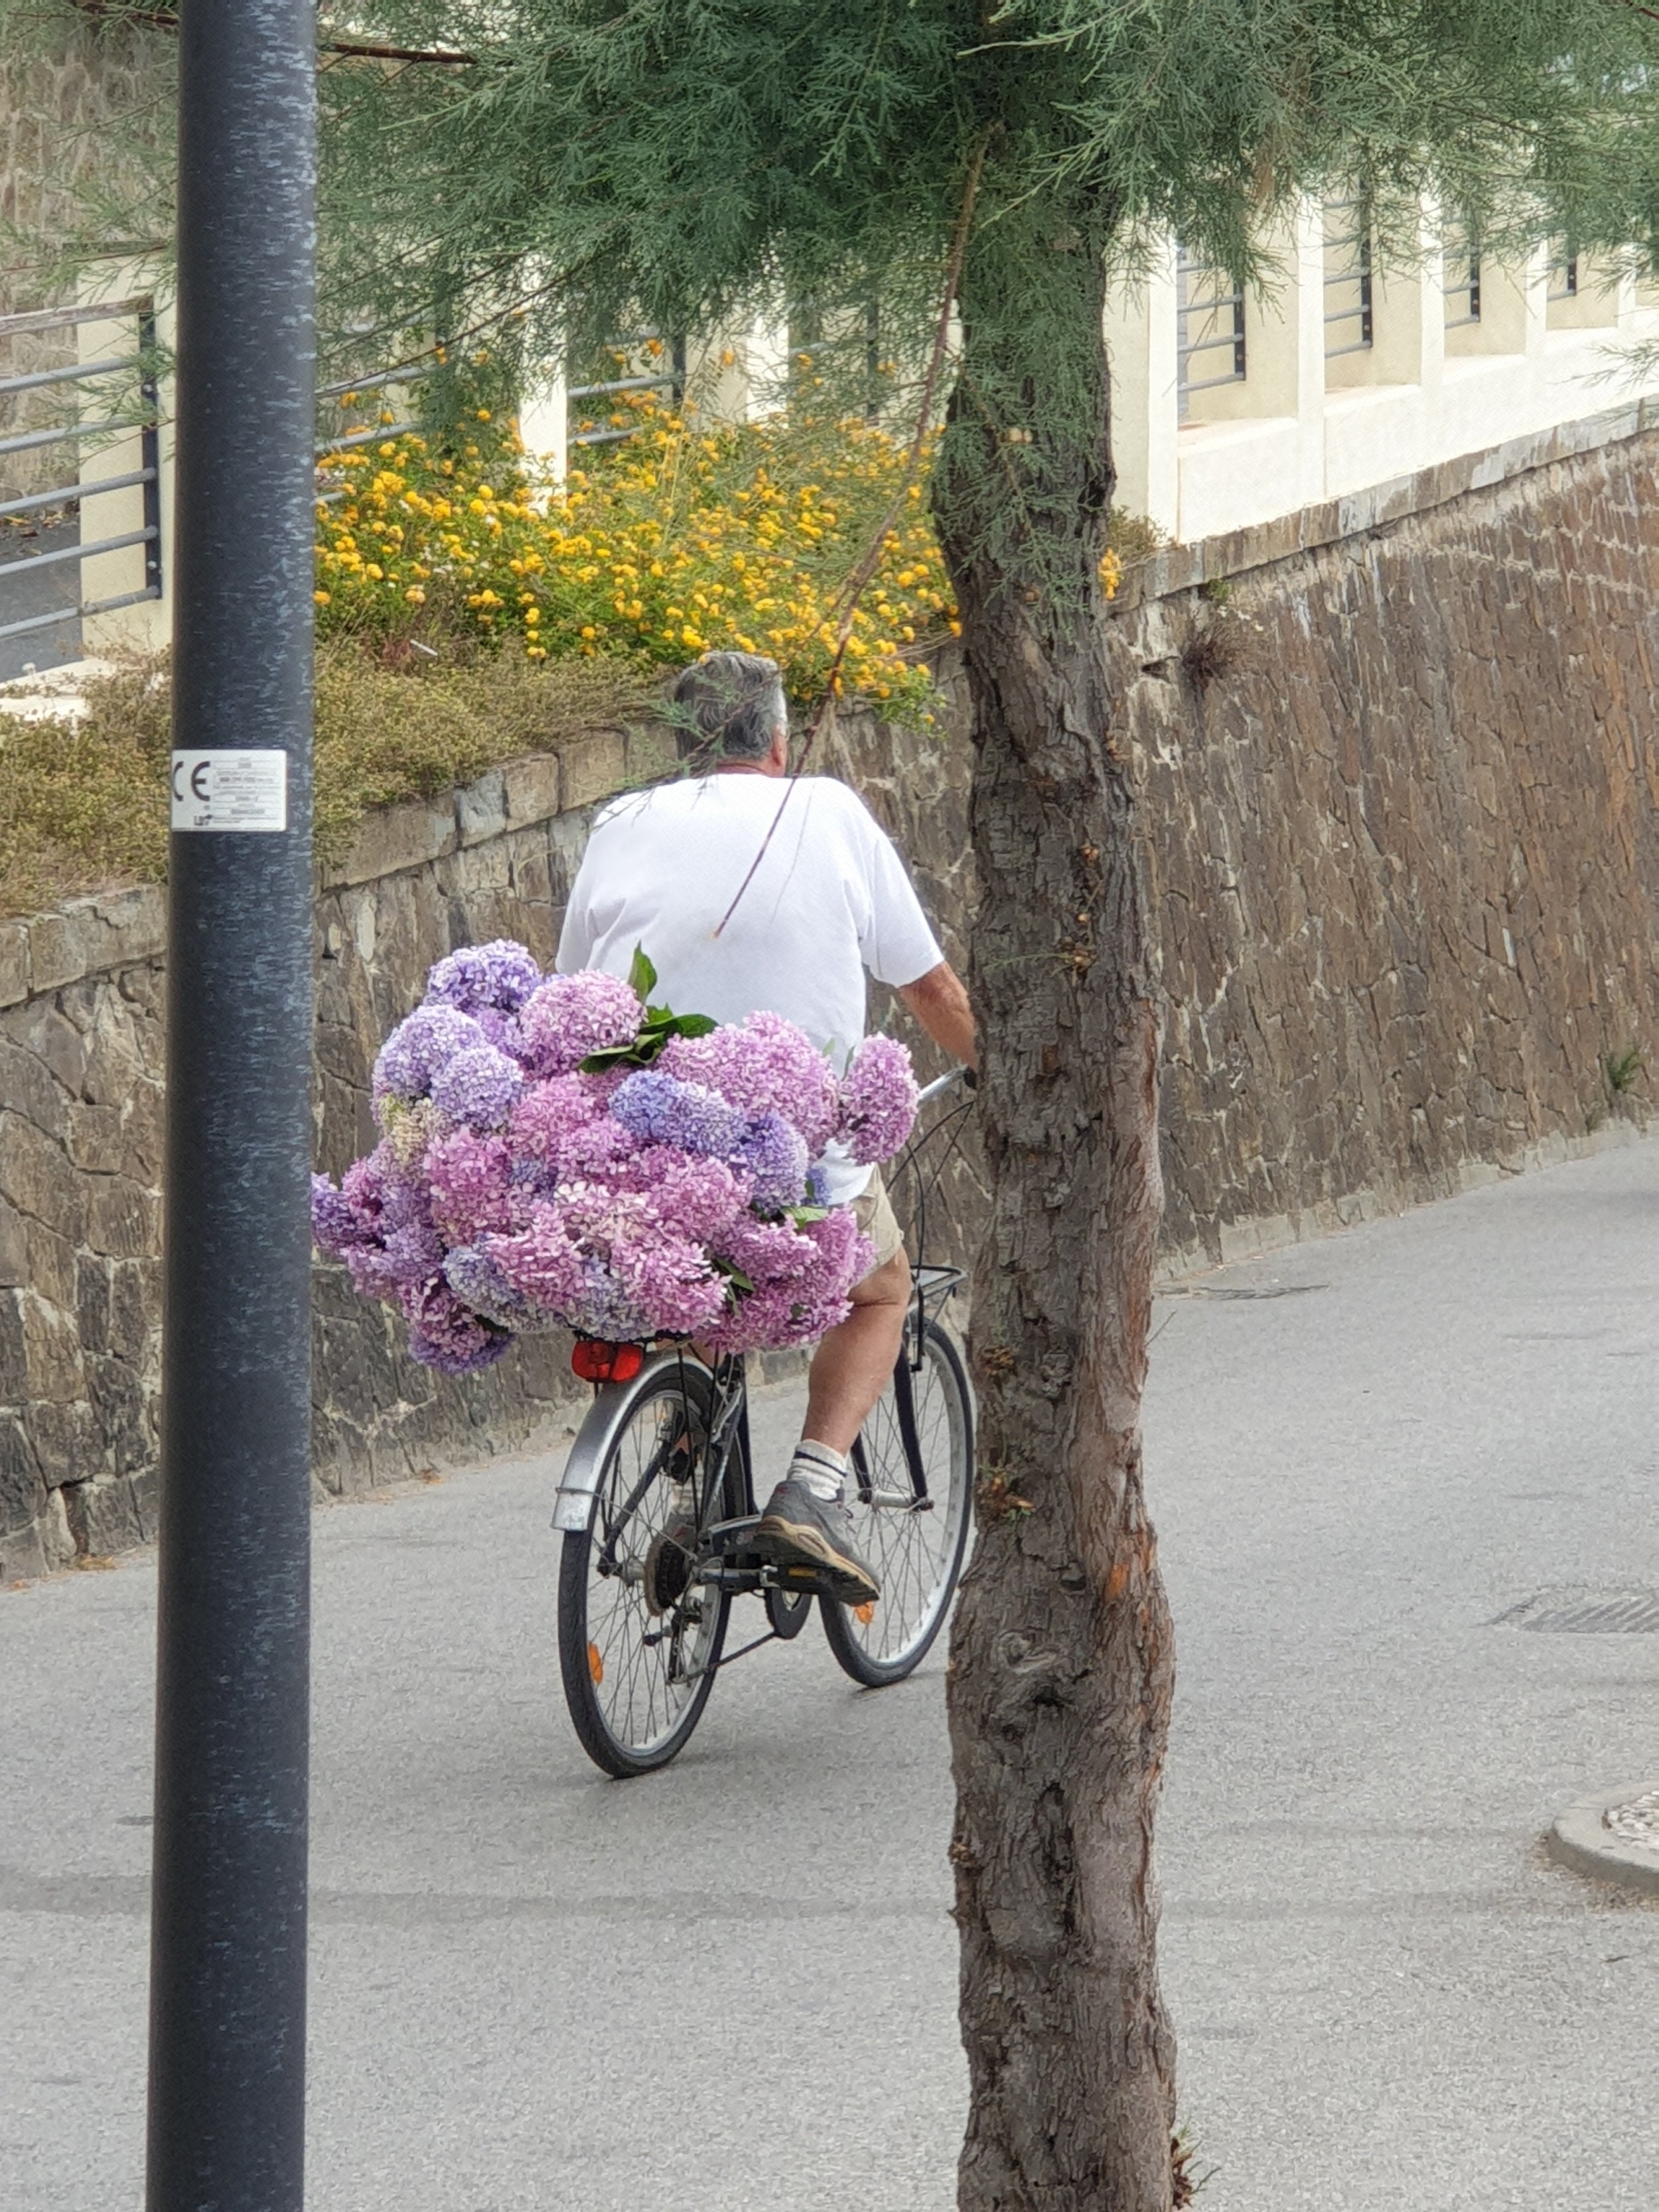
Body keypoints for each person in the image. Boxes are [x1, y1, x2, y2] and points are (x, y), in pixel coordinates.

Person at [555, 650, 976, 1605]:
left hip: (643, 1148)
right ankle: (811, 1489)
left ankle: (686, 1450)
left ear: (680, 745)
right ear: (777, 740)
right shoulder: (826, 811)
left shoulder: (620, 823)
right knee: (883, 1291)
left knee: (690, 1274)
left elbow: (568, 995)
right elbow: (931, 988)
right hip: (794, 1155)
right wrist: (990, 1061)